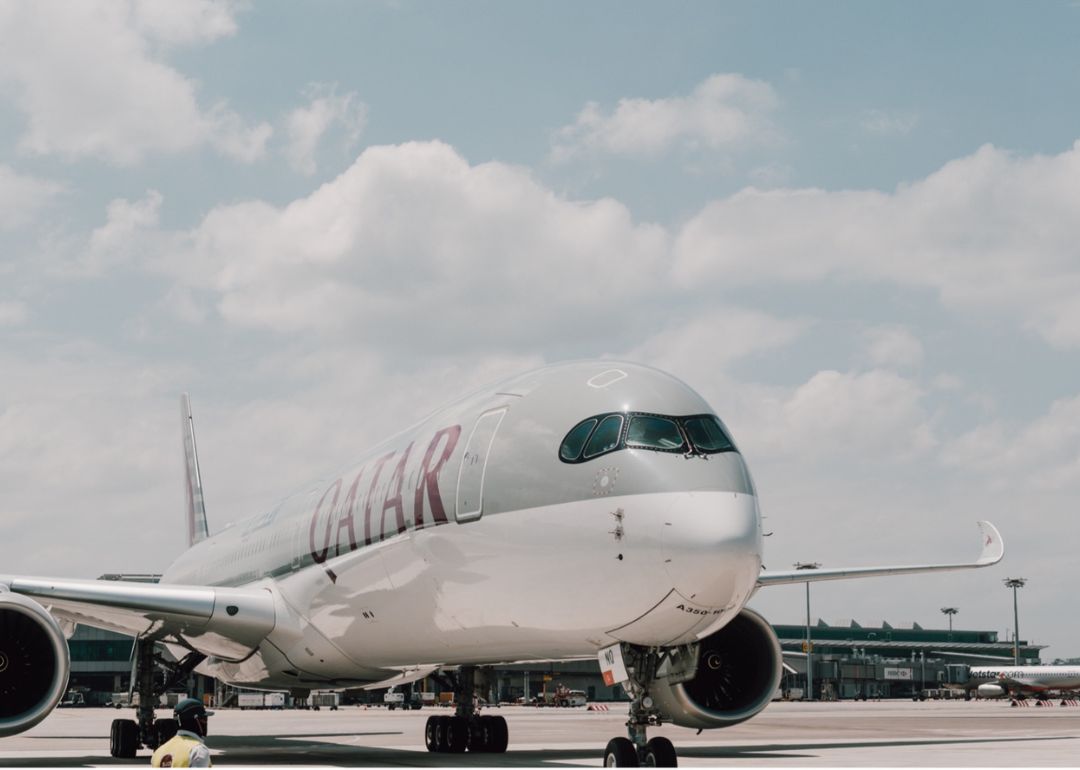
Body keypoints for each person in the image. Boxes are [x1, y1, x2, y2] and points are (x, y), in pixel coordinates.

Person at [150, 698, 213, 767]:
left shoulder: (158, 753)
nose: (205, 722)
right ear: (196, 720)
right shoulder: (197, 751)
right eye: (204, 718)